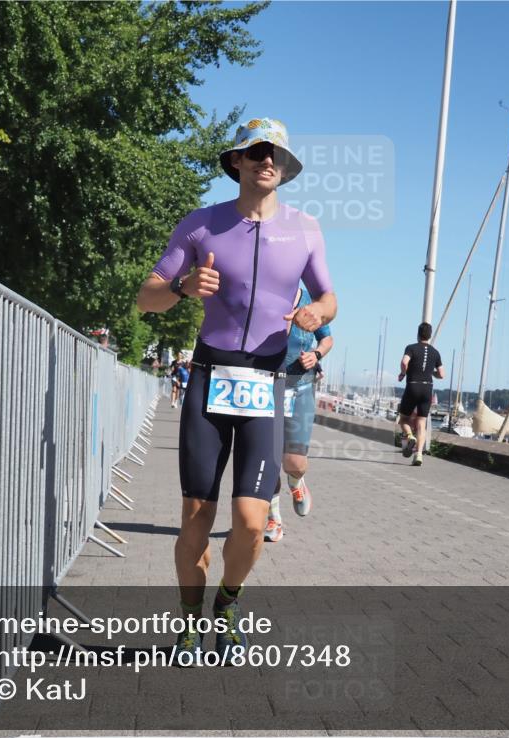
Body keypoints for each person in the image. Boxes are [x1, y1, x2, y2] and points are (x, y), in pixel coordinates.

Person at [136, 117, 336, 660]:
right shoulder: (202, 225)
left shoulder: (305, 229)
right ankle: (189, 623)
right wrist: (180, 286)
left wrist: (317, 312)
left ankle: (227, 601)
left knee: (250, 523)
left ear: (285, 169)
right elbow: (146, 297)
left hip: (265, 384)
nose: (266, 160)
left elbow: (328, 298)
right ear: (237, 163)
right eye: (256, 152)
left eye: (276, 155)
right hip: (208, 381)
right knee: (195, 521)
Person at [264, 285, 333, 543]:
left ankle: (296, 482)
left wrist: (316, 355)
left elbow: (327, 339)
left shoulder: (310, 301)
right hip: (266, 387)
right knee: (268, 459)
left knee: (294, 461)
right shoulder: (265, 292)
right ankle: (274, 519)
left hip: (300, 386)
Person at [397, 322, 444, 467]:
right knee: (421, 423)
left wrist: (403, 373)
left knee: (403, 419)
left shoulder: (411, 348)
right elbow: (442, 374)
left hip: (413, 386)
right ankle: (418, 455)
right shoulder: (435, 352)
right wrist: (431, 373)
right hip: (427, 389)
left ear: (418, 334)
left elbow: (404, 363)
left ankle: (409, 436)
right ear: (429, 336)